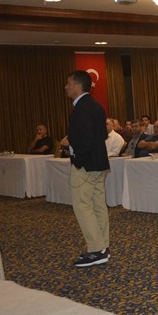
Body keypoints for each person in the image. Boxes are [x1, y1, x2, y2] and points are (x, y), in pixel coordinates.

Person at [64, 70, 110, 268]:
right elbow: (102, 135)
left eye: (68, 83)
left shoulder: (82, 108)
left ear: (77, 86)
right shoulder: (96, 106)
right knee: (98, 205)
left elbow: (86, 140)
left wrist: (78, 159)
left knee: (83, 206)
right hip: (99, 164)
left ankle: (95, 250)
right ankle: (102, 247)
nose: (66, 87)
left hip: (86, 165)